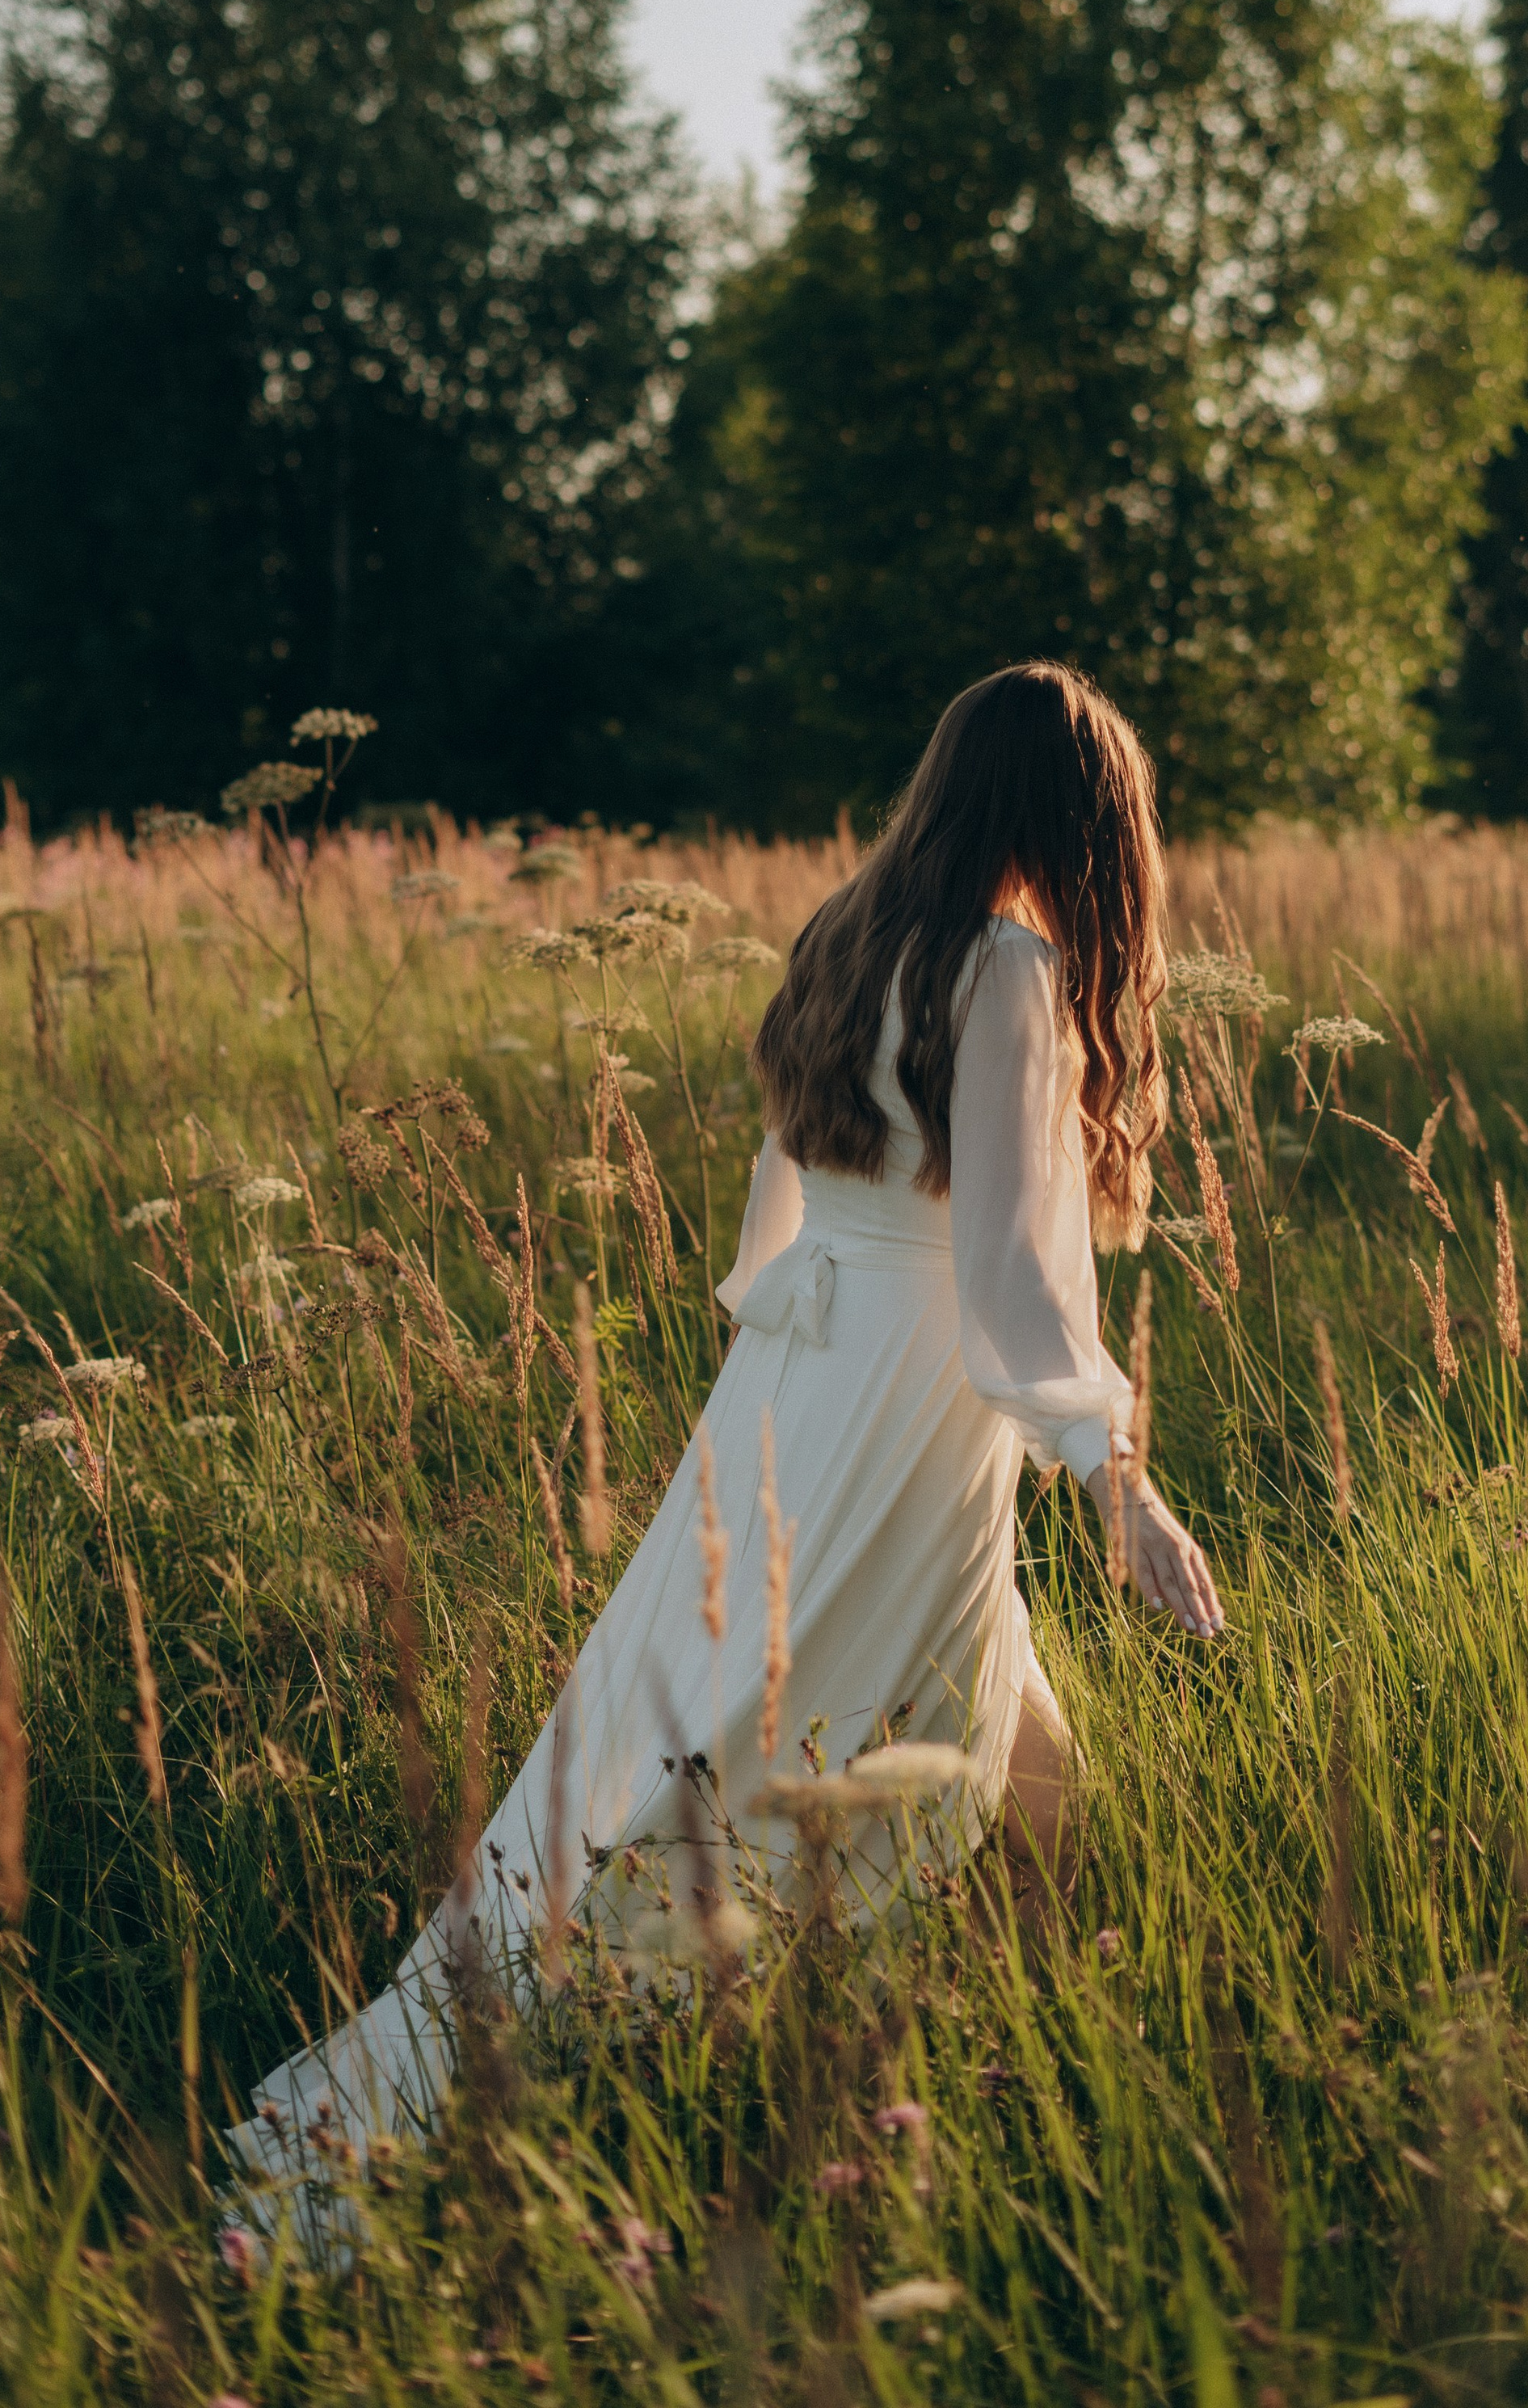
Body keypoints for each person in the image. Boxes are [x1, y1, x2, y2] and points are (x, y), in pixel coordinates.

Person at [225, 661, 1221, 2246]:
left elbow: (783, 1204)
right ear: (1082, 822)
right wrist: (1123, 1485)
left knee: (938, 1764)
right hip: (903, 1409)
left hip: (797, 1383)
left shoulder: (852, 933)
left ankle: (1022, 2074)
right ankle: (530, 2105)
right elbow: (1007, 1284)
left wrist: (787, 1345)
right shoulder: (1009, 970)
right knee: (754, 1763)